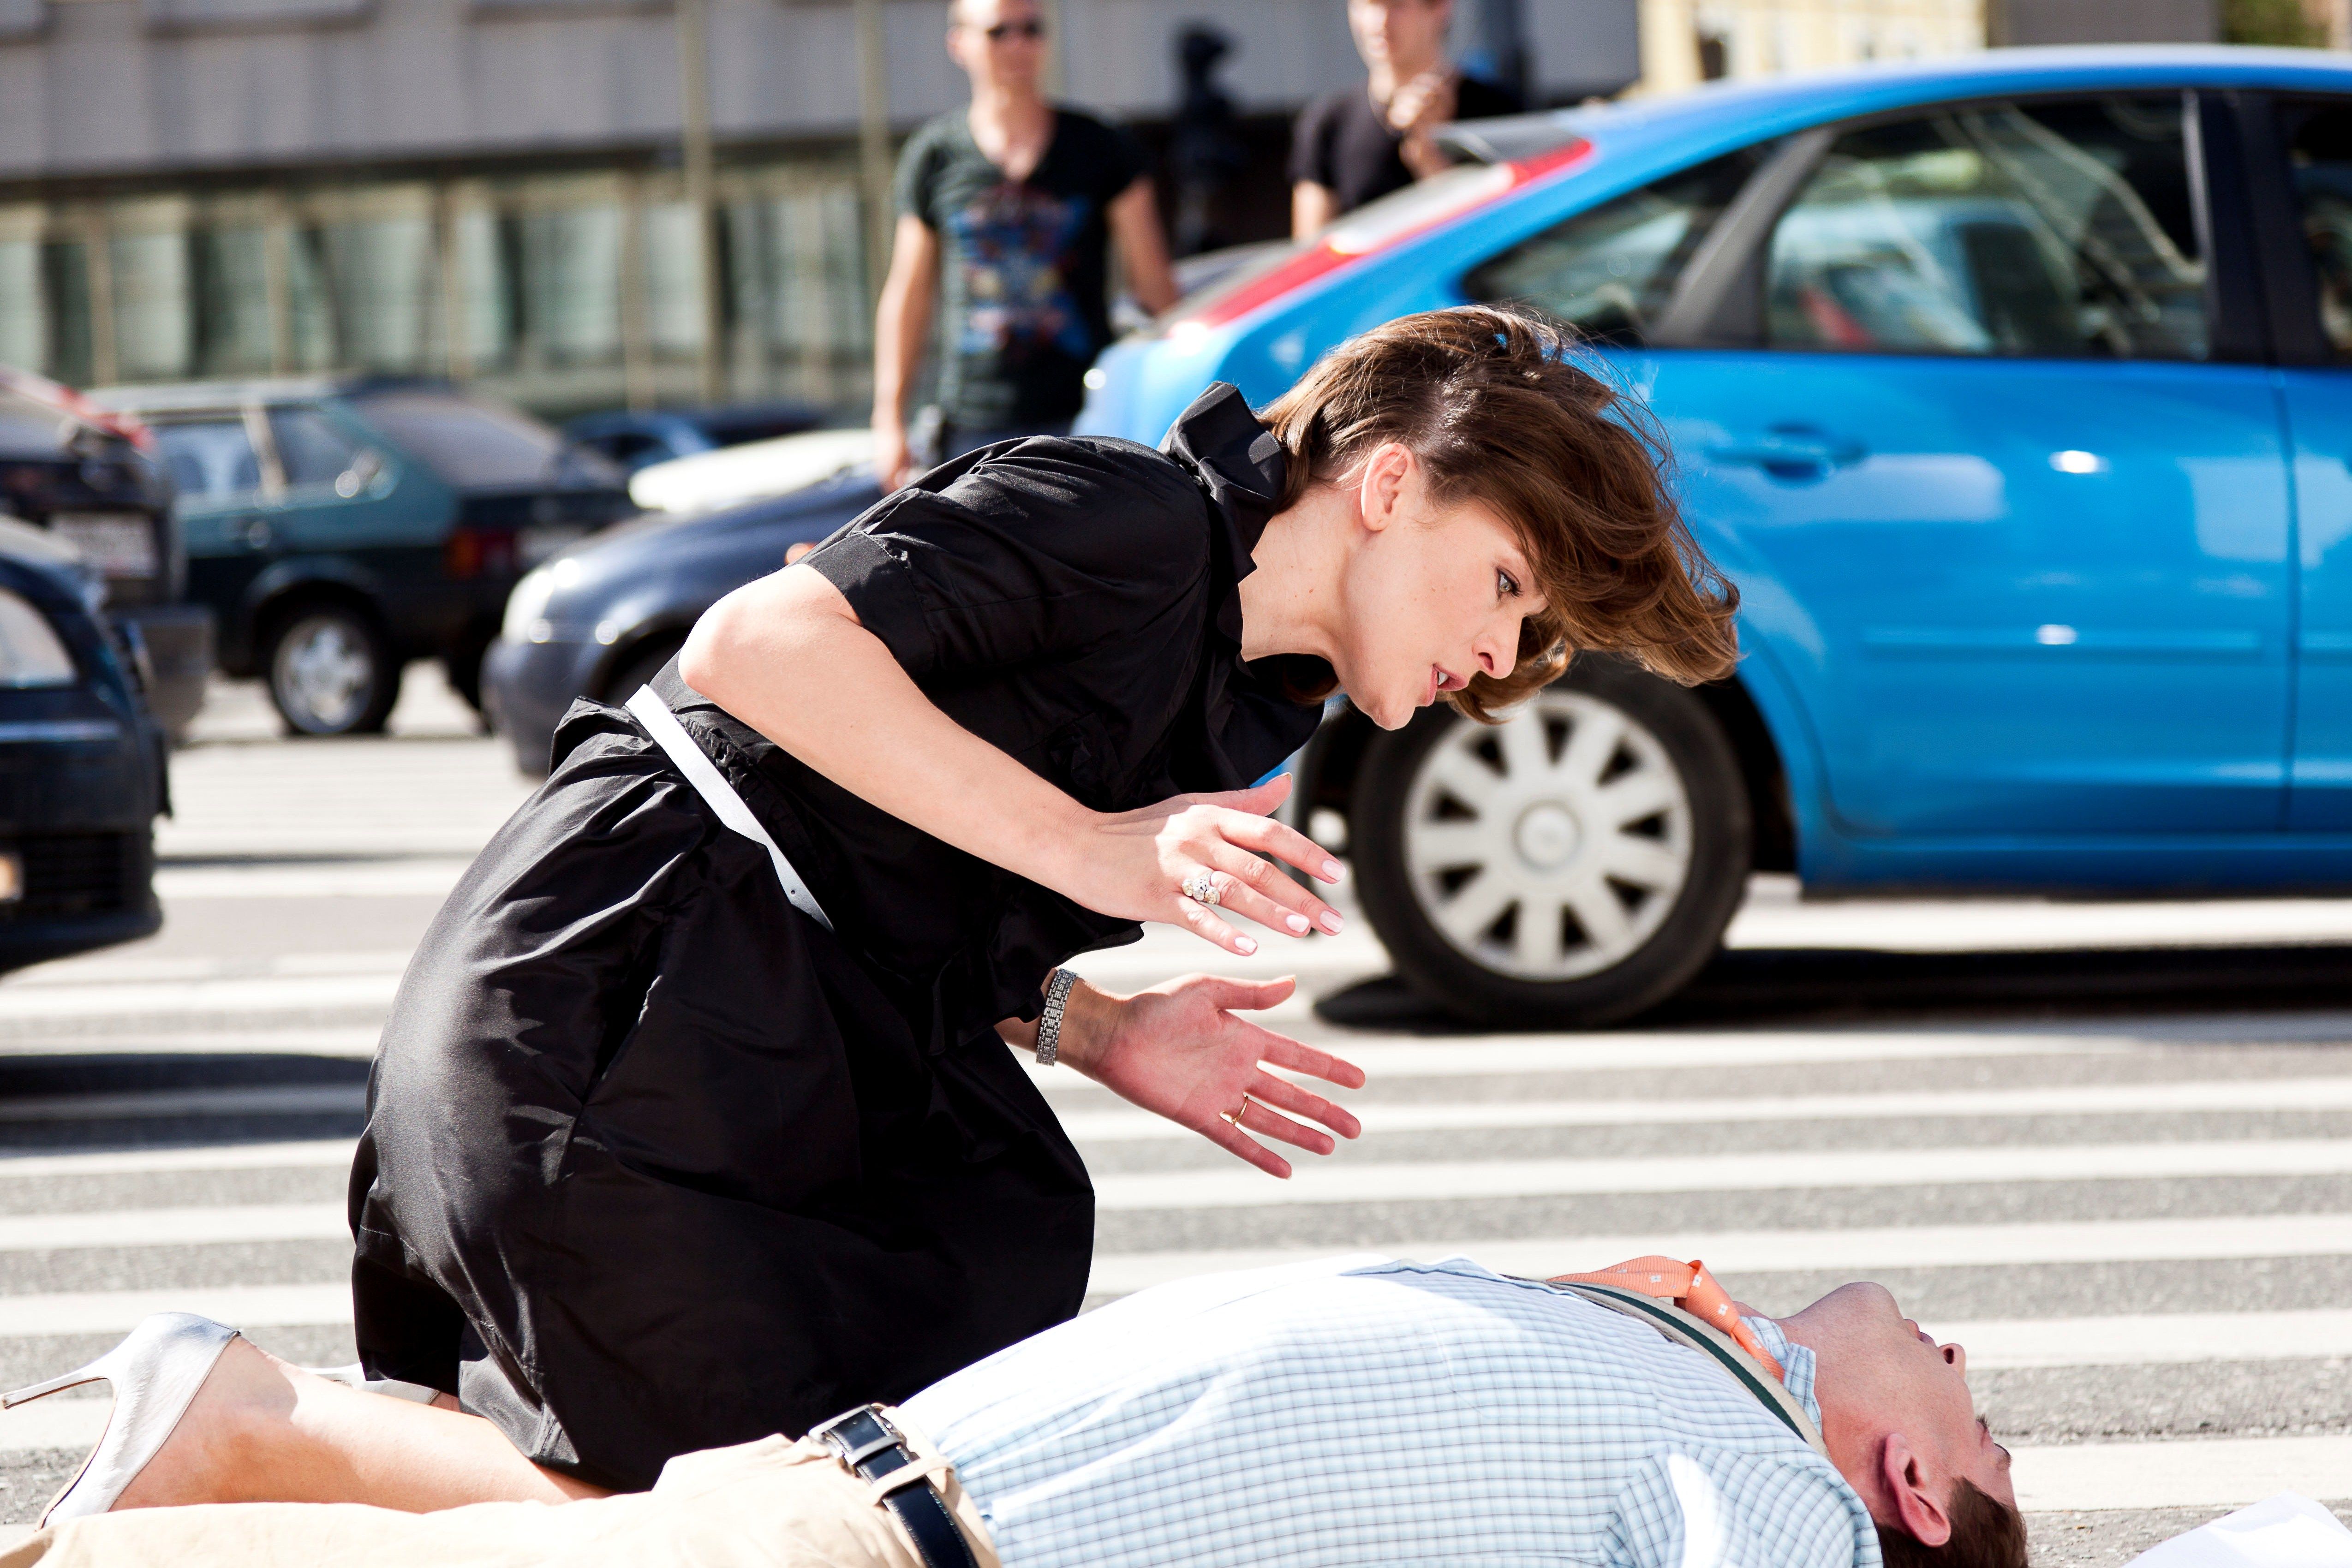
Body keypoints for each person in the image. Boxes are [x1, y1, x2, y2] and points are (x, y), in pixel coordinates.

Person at [3, 304, 1740, 1521]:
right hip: (613, 1000)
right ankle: (239, 1423)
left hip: (741, 1025)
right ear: (1384, 484)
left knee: (882, 1435)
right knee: (767, 1510)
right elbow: (756, 653)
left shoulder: (1238, 690)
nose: (1501, 657)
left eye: (1536, 635)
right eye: (1506, 585)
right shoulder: (1126, 515)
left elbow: (879, 861)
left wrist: (1096, 1021)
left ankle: (252, 1449)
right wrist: (1102, 861)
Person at [0, 1255, 2026, 1568]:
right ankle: (233, 1422)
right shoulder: (1682, 1364)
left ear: (1911, 1486)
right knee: (564, 1535)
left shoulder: (1782, 1501)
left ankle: (222, 1433)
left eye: (1972, 1398)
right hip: (911, 1491)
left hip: (916, 1524)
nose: (1962, 1358)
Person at [873, 0, 1180, 493]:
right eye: (999, 32)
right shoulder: (935, 155)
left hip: (1086, 415)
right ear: (960, 44)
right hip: (973, 422)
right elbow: (907, 296)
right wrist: (888, 419)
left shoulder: (1101, 145)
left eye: (1031, 30)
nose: (1018, 45)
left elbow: (1156, 288)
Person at [1290, 0, 1525, 238]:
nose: (1379, 23)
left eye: (1397, 5)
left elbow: (1509, 238)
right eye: (1366, 5)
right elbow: (1310, 255)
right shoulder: (1328, 121)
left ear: (1440, 8)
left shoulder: (1500, 112)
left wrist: (1431, 162)